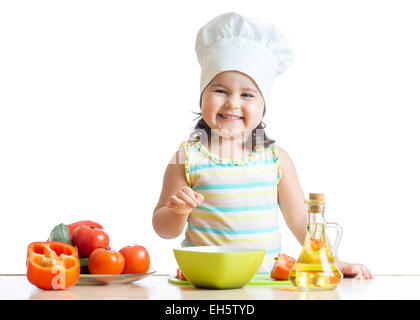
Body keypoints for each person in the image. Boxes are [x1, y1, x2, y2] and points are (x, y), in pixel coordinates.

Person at [152, 12, 372, 279]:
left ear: (263, 104)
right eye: (220, 90)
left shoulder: (276, 159)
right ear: (202, 96)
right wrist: (179, 212)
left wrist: (333, 261)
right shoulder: (185, 157)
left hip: (265, 281)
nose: (233, 103)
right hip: (202, 282)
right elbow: (163, 228)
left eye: (247, 94)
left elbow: (303, 224)